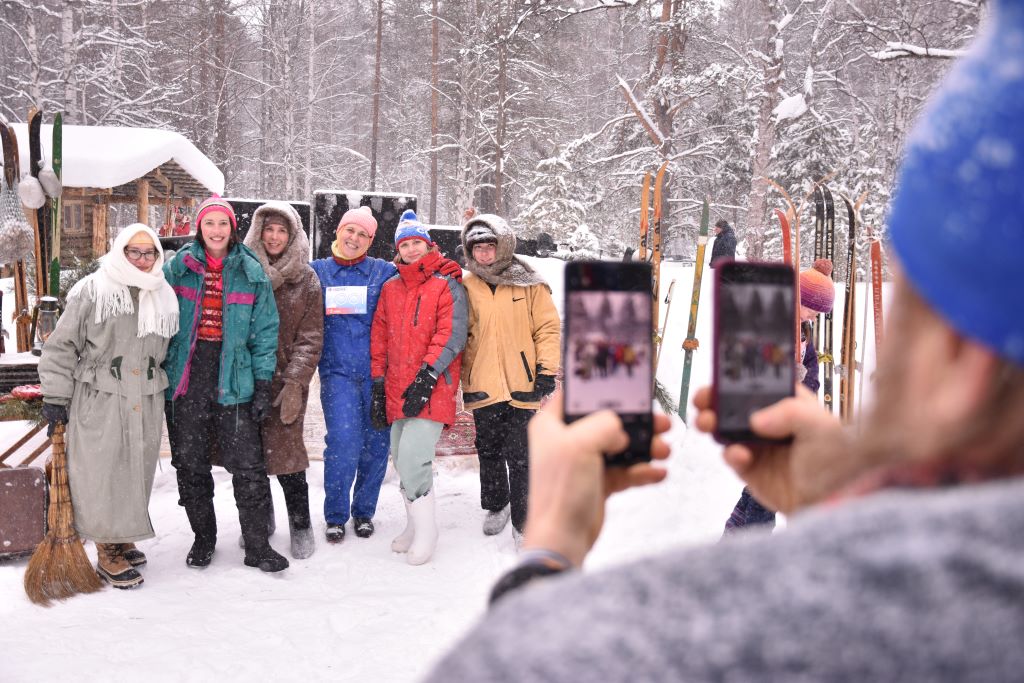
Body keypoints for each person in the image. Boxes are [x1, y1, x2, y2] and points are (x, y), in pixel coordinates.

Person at [424, 2, 1024, 677]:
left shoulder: (706, 636)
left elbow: (505, 665)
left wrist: (553, 544)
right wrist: (843, 497)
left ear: (960, 358)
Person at [38, 224, 179, 589]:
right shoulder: (94, 291)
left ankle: (121, 534)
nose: (143, 260)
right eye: (135, 251)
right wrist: (55, 396)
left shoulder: (163, 293)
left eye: (149, 253)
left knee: (135, 469)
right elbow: (60, 347)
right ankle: (106, 548)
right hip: (101, 393)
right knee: (102, 471)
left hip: (145, 396)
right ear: (120, 251)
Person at [311, 206, 462, 543]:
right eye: (350, 231)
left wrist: (444, 265)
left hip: (380, 376)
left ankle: (364, 511)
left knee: (377, 445)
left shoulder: (380, 271)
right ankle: (335, 515)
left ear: (370, 241)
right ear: (338, 232)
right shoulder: (317, 271)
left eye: (363, 234)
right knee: (342, 443)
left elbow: (416, 271)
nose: (354, 239)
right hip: (338, 374)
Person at [163, 195, 288, 573]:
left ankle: (256, 545)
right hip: (188, 375)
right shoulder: (178, 268)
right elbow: (156, 319)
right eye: (209, 224)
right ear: (199, 228)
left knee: (248, 467)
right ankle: (204, 538)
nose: (216, 231)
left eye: (223, 224)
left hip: (235, 376)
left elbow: (265, 333)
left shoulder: (250, 270)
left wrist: (263, 383)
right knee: (190, 463)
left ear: (233, 228)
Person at [369, 210, 467, 565]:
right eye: (405, 244)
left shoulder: (446, 283)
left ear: (428, 245)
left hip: (433, 384)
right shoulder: (391, 287)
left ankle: (428, 533)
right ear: (398, 249)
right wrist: (379, 383)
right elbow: (379, 336)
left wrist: (428, 376)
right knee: (400, 455)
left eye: (417, 243)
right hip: (396, 387)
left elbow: (452, 333)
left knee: (413, 457)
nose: (411, 250)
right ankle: (414, 526)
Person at [460, 212, 560, 543]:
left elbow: (547, 328)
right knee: (488, 449)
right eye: (477, 248)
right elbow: (460, 332)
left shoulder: (529, 281)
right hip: (484, 382)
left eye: (489, 246)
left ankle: (524, 519)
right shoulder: (466, 285)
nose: (483, 254)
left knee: (521, 454)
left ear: (503, 246)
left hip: (524, 382)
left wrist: (546, 369)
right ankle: (497, 504)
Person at [723, 257, 834, 533]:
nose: (814, 316)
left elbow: (812, 377)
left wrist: (804, 390)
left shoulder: (803, 332)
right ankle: (747, 545)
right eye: (812, 309)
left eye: (818, 313)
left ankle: (738, 539)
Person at [242, 202, 323, 560]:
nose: (274, 237)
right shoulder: (242, 271)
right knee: (248, 459)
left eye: (282, 231)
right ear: (259, 232)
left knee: (289, 458)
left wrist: (295, 383)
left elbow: (311, 337)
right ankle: (260, 520)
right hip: (244, 380)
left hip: (285, 382)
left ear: (293, 236)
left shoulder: (306, 279)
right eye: (269, 229)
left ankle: (301, 523)